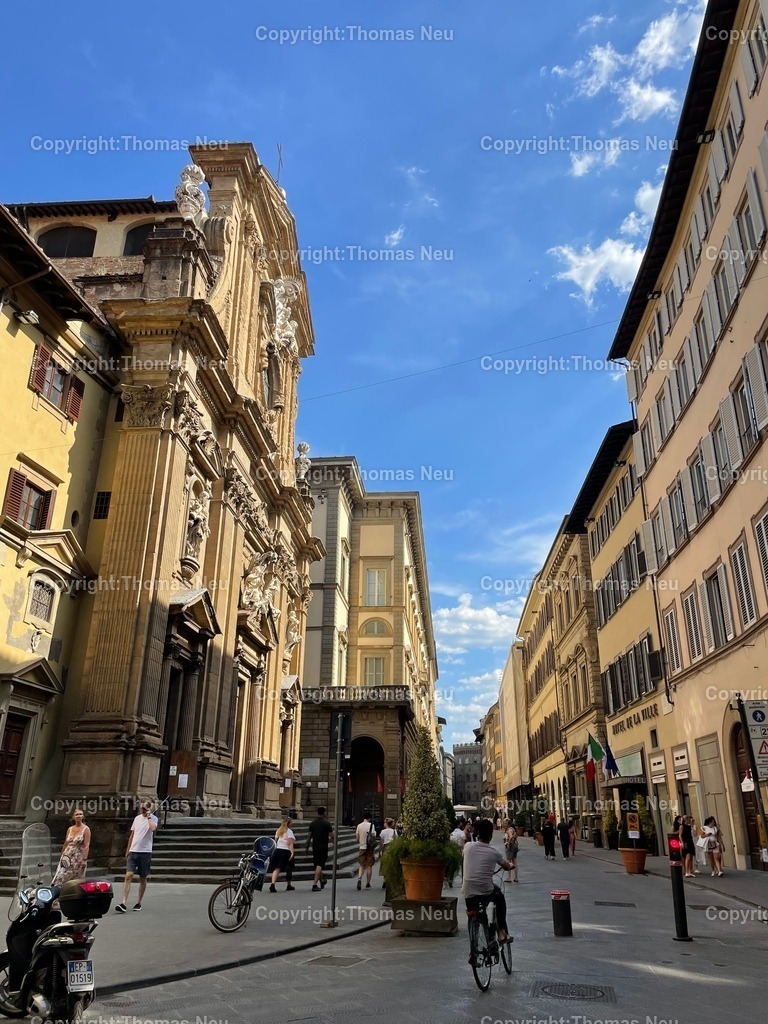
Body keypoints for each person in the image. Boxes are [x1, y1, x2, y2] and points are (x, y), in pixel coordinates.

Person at [462, 817, 514, 944]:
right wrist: (510, 866)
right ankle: (501, 931)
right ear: (490, 836)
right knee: (500, 897)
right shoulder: (494, 852)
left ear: (477, 834)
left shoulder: (468, 846)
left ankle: (473, 948)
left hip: (468, 890)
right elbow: (506, 866)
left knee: (472, 911)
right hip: (486, 889)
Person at [115, 800, 158, 913]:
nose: (142, 810)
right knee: (128, 875)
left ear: (149, 809)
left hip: (145, 852)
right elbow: (132, 834)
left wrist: (149, 817)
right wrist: (128, 849)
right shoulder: (137, 819)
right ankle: (123, 902)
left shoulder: (153, 818)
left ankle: (139, 902)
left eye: (144, 808)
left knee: (143, 878)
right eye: (141, 808)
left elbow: (153, 829)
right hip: (134, 850)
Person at [52, 809, 90, 885]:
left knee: (74, 876)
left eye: (80, 814)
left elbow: (86, 845)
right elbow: (66, 843)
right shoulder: (70, 829)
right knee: (61, 874)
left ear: (83, 816)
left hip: (77, 856)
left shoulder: (86, 829)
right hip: (68, 854)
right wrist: (62, 854)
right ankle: (58, 889)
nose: (79, 816)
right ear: (73, 817)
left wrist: (84, 859)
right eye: (77, 814)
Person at [306, 806, 334, 892]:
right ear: (324, 812)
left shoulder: (313, 823)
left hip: (315, 846)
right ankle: (315, 884)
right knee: (320, 865)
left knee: (318, 864)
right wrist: (332, 841)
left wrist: (306, 847)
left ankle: (322, 881)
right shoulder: (327, 823)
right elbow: (331, 836)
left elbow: (309, 837)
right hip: (323, 846)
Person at [269, 818, 296, 892]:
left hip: (277, 850)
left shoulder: (279, 830)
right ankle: (289, 885)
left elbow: (275, 841)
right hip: (286, 851)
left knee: (277, 868)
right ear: (288, 823)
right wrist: (292, 853)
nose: (292, 824)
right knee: (289, 868)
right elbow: (290, 843)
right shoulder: (289, 831)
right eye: (291, 822)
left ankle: (272, 884)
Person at [356, 812, 376, 890]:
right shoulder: (371, 825)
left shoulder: (359, 825)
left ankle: (359, 878)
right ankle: (368, 883)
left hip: (362, 847)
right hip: (369, 848)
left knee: (361, 864)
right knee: (369, 865)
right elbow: (373, 836)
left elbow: (357, 838)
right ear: (369, 818)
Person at [379, 817, 396, 888]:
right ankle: (391, 880)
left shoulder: (383, 831)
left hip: (385, 847)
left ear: (386, 823)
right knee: (391, 863)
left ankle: (385, 880)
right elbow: (395, 840)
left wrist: (380, 850)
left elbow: (381, 842)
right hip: (391, 847)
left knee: (385, 863)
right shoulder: (394, 831)